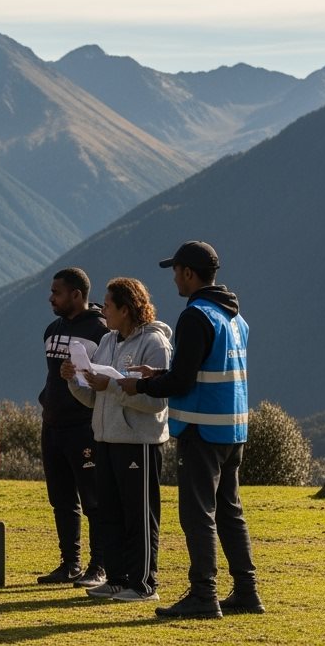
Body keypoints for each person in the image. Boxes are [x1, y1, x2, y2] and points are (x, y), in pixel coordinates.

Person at [121, 241, 263, 619]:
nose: (173, 279)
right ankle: (247, 591)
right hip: (233, 430)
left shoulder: (195, 315)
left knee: (197, 514)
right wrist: (161, 375)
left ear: (188, 273)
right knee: (230, 511)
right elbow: (198, 371)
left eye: (176, 271)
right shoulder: (234, 317)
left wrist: (143, 385)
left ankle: (204, 594)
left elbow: (183, 382)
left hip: (201, 429)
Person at [65, 277, 171, 603]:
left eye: (108, 306)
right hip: (106, 438)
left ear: (125, 309)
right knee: (110, 512)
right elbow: (96, 399)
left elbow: (157, 400)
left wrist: (111, 386)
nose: (103, 310)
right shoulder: (107, 342)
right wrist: (75, 381)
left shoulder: (155, 344)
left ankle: (143, 585)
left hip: (138, 441)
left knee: (138, 515)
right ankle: (116, 579)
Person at [36, 268, 110, 588]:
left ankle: (100, 565)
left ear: (77, 295)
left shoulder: (101, 331)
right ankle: (70, 563)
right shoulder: (52, 329)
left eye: (57, 292)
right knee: (61, 499)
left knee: (94, 499)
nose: (51, 298)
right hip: (52, 426)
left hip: (84, 428)